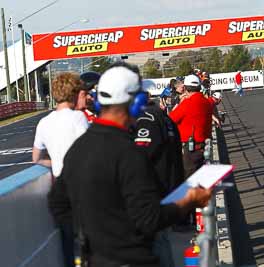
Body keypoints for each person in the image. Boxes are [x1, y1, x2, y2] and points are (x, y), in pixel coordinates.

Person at [48, 64, 211, 267]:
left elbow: (58, 203)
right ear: (136, 104)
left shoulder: (78, 148)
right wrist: (189, 201)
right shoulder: (129, 153)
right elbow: (149, 219)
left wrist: (92, 234)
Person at [33, 72, 89, 267]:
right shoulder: (78, 118)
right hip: (81, 187)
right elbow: (88, 149)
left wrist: (57, 161)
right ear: (73, 93)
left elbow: (36, 158)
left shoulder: (44, 122)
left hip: (59, 187)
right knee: (88, 241)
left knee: (67, 242)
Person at [133, 91, 184, 267]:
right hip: (169, 184)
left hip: (154, 189)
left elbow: (142, 155)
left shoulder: (146, 119)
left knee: (156, 241)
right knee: (161, 239)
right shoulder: (164, 117)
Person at [169, 74, 214, 179]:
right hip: (205, 144)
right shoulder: (207, 102)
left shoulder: (187, 103)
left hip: (191, 147)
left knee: (189, 180)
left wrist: (180, 103)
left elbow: (171, 119)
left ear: (185, 88)